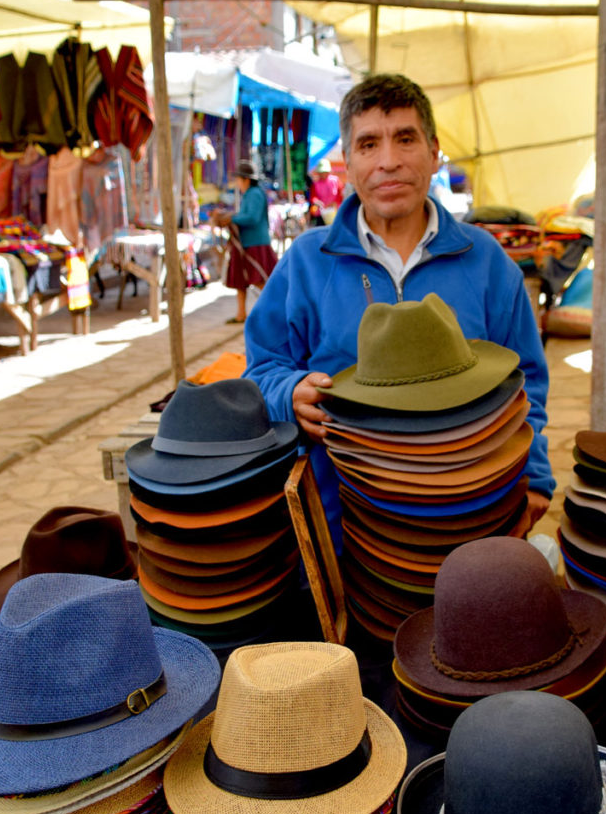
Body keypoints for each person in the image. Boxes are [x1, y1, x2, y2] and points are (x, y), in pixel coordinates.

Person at [244, 74, 554, 540]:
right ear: (347, 164)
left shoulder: (488, 262)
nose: (388, 162)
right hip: (346, 517)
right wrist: (288, 393)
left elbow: (525, 385)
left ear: (433, 152)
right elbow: (261, 368)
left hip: (471, 510)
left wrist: (535, 478)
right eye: (368, 145)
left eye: (405, 139)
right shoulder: (306, 264)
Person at [211, 159, 277, 323]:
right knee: (241, 281)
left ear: (246, 180)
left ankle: (275, 310)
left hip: (255, 243)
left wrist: (232, 217)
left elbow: (252, 218)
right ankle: (241, 313)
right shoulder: (249, 194)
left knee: (260, 280)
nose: (238, 183)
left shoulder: (254, 194)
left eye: (239, 180)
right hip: (245, 243)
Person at [308, 157, 344, 226]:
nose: (323, 174)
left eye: (324, 172)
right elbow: (313, 197)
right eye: (321, 172)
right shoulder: (316, 184)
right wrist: (317, 202)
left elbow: (341, 195)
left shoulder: (335, 181)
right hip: (321, 213)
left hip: (335, 211)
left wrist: (334, 203)